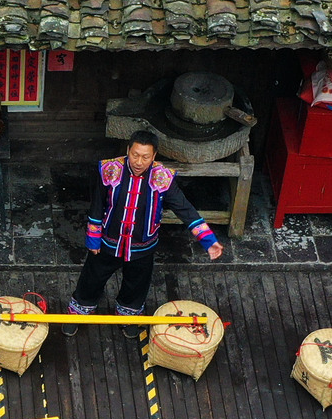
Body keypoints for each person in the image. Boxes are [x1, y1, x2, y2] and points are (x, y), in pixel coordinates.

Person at [67, 128, 224, 330]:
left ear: (154, 156)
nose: (139, 162)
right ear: (128, 150)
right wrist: (93, 239)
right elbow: (97, 205)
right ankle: (81, 310)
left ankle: (128, 314)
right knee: (92, 277)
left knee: (136, 284)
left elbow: (185, 209)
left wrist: (209, 241)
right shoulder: (110, 169)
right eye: (135, 155)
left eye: (145, 157)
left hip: (142, 246)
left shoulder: (163, 178)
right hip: (109, 241)